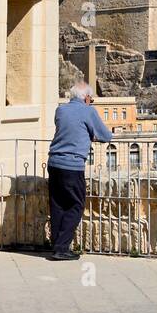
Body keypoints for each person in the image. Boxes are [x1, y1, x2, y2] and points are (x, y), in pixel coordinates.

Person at [46, 81, 112, 261]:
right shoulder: (88, 111)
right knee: (76, 205)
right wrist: (91, 135)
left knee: (58, 204)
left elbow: (67, 129)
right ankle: (61, 247)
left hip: (54, 162)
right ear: (87, 97)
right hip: (72, 165)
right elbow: (106, 136)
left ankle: (56, 245)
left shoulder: (60, 110)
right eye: (91, 99)